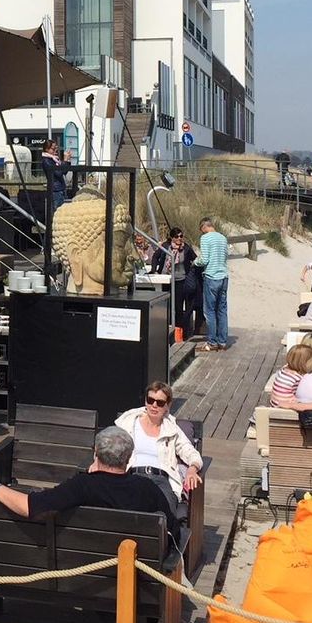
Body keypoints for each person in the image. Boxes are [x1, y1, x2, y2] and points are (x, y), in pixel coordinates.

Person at [0, 425, 179, 539]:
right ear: (128, 458)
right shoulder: (147, 488)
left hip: (82, 572)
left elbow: (30, 507)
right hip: (139, 579)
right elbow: (174, 533)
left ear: (96, 453)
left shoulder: (82, 486)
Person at [114, 381, 204, 523]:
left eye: (160, 402)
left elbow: (191, 453)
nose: (154, 405)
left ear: (167, 406)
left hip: (161, 480)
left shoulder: (172, 429)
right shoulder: (129, 423)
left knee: (164, 516)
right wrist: (98, 461)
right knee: (128, 512)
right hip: (133, 475)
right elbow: (107, 444)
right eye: (150, 400)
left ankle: (166, 543)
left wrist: (192, 469)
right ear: (146, 401)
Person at [154, 227, 200, 339]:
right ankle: (165, 330)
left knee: (178, 307)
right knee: (166, 306)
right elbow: (156, 256)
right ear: (171, 238)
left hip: (181, 280)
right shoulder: (165, 246)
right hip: (166, 279)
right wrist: (155, 269)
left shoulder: (186, 248)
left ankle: (179, 332)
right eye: (176, 237)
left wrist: (193, 268)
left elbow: (195, 258)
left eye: (181, 236)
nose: (179, 239)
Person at [195, 217, 230, 351]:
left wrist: (195, 262)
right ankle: (222, 341)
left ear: (204, 227)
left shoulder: (205, 238)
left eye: (201, 231)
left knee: (209, 311)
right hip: (224, 277)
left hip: (211, 277)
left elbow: (204, 259)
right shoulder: (223, 238)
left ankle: (212, 342)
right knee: (222, 310)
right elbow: (225, 256)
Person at [40, 139, 72, 211]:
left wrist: (68, 161)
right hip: (55, 190)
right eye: (53, 149)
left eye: (56, 148)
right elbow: (59, 173)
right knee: (58, 212)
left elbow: (64, 172)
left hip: (60, 188)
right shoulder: (47, 161)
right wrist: (65, 161)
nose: (55, 151)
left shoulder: (54, 159)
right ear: (46, 149)